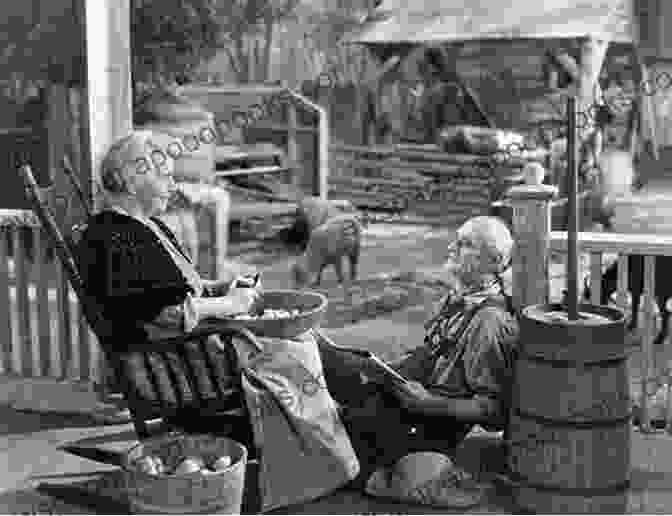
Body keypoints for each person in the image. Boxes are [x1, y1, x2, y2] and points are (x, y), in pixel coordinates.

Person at [315, 215, 519, 502]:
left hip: (431, 423)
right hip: (410, 399)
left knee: (338, 448)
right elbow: (431, 351)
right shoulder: (460, 298)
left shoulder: (489, 322)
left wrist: (428, 403)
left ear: (494, 261)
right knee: (330, 375)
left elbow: (494, 410)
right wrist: (387, 369)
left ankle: (395, 474)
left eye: (465, 244)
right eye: (456, 240)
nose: (452, 248)